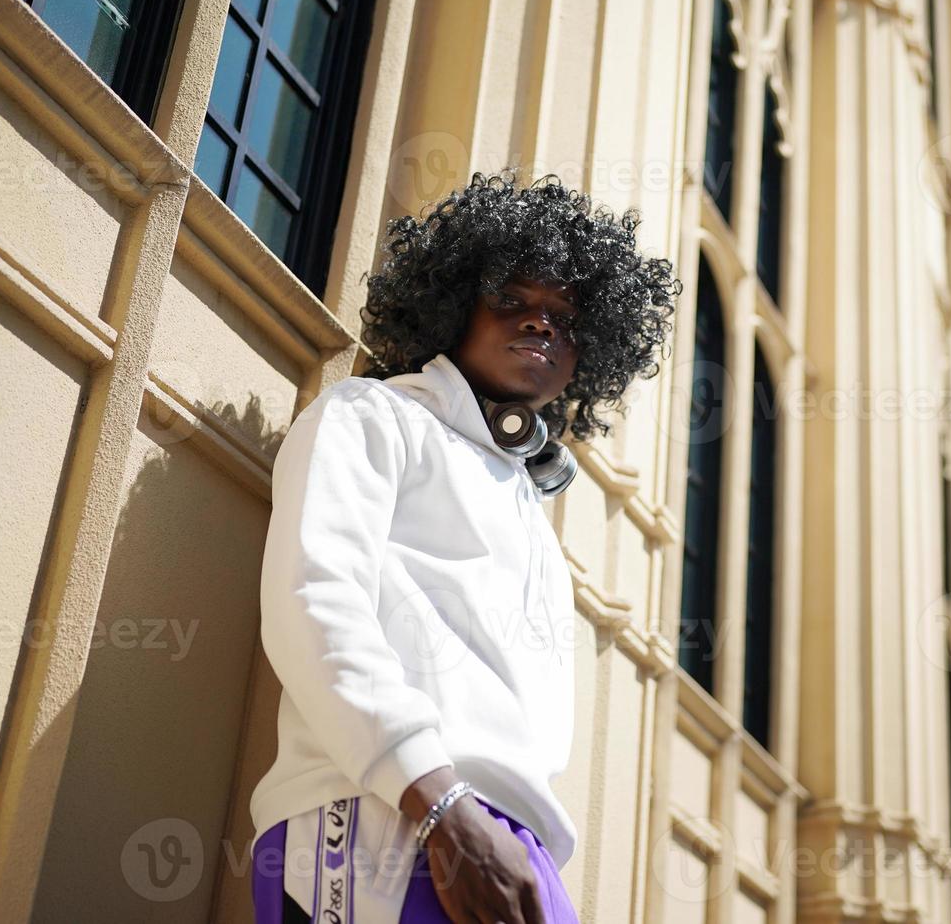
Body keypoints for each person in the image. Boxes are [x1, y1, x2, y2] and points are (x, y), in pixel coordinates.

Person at [248, 170, 681, 924]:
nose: (543, 323)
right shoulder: (370, 415)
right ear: (450, 307)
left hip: (520, 853)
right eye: (511, 299)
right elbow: (313, 604)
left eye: (567, 318)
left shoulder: (527, 502)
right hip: (393, 818)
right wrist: (441, 807)